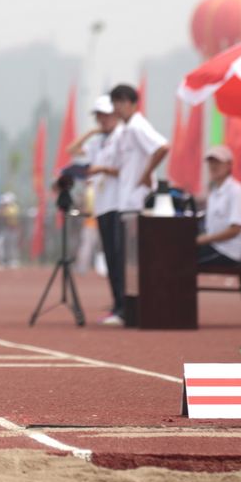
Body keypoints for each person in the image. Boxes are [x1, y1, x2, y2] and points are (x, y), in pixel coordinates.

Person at [106, 83, 170, 326]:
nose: (118, 107)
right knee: (125, 260)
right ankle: (128, 309)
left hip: (136, 202)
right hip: (125, 202)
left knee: (132, 260)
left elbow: (162, 147)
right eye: (115, 102)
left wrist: (147, 174)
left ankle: (132, 310)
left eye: (122, 102)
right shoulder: (125, 129)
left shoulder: (137, 126)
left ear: (133, 104)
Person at [65, 95, 125, 324]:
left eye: (105, 115)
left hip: (119, 204)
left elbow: (128, 169)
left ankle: (124, 307)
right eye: (99, 116)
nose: (102, 119)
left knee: (119, 258)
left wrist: (102, 169)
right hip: (102, 205)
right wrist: (92, 132)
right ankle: (117, 305)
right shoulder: (98, 142)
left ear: (115, 114)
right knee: (110, 257)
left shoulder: (123, 137)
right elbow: (72, 150)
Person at [197, 146, 241, 267]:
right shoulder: (214, 192)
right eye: (211, 162)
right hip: (214, 246)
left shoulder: (236, 191)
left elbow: (235, 229)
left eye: (218, 162)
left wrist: (203, 239)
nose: (213, 166)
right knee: (179, 252)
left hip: (227, 252)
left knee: (182, 258)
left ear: (229, 165)